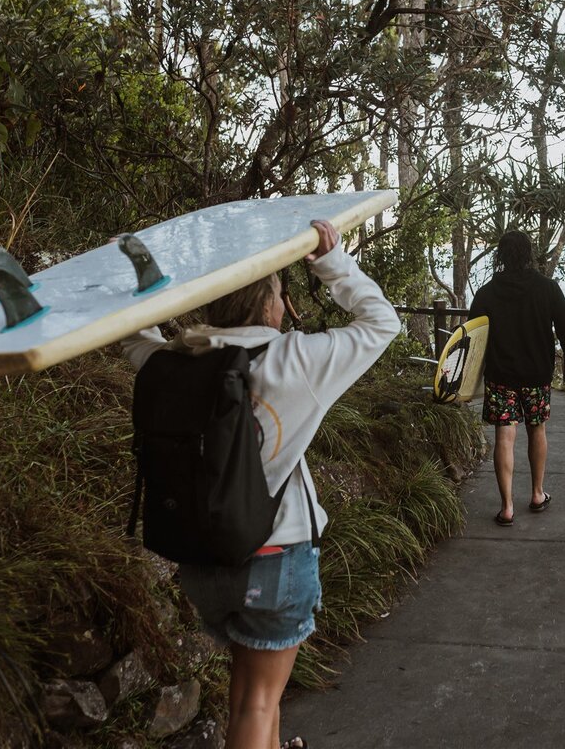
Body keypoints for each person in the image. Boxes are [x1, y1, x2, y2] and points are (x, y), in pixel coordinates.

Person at [122, 221, 399, 749]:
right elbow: (381, 323)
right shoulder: (292, 361)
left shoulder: (173, 364)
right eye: (277, 292)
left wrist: (147, 282)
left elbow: (136, 334)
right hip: (273, 559)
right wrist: (329, 259)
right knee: (257, 701)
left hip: (201, 561)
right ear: (269, 305)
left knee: (249, 694)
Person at [467, 230, 565, 526]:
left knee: (504, 436)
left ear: (501, 257)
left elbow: (471, 338)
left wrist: (464, 380)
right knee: (537, 429)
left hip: (500, 376)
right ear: (529, 254)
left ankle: (506, 508)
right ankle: (536, 493)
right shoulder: (547, 288)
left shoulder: (486, 293)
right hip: (536, 375)